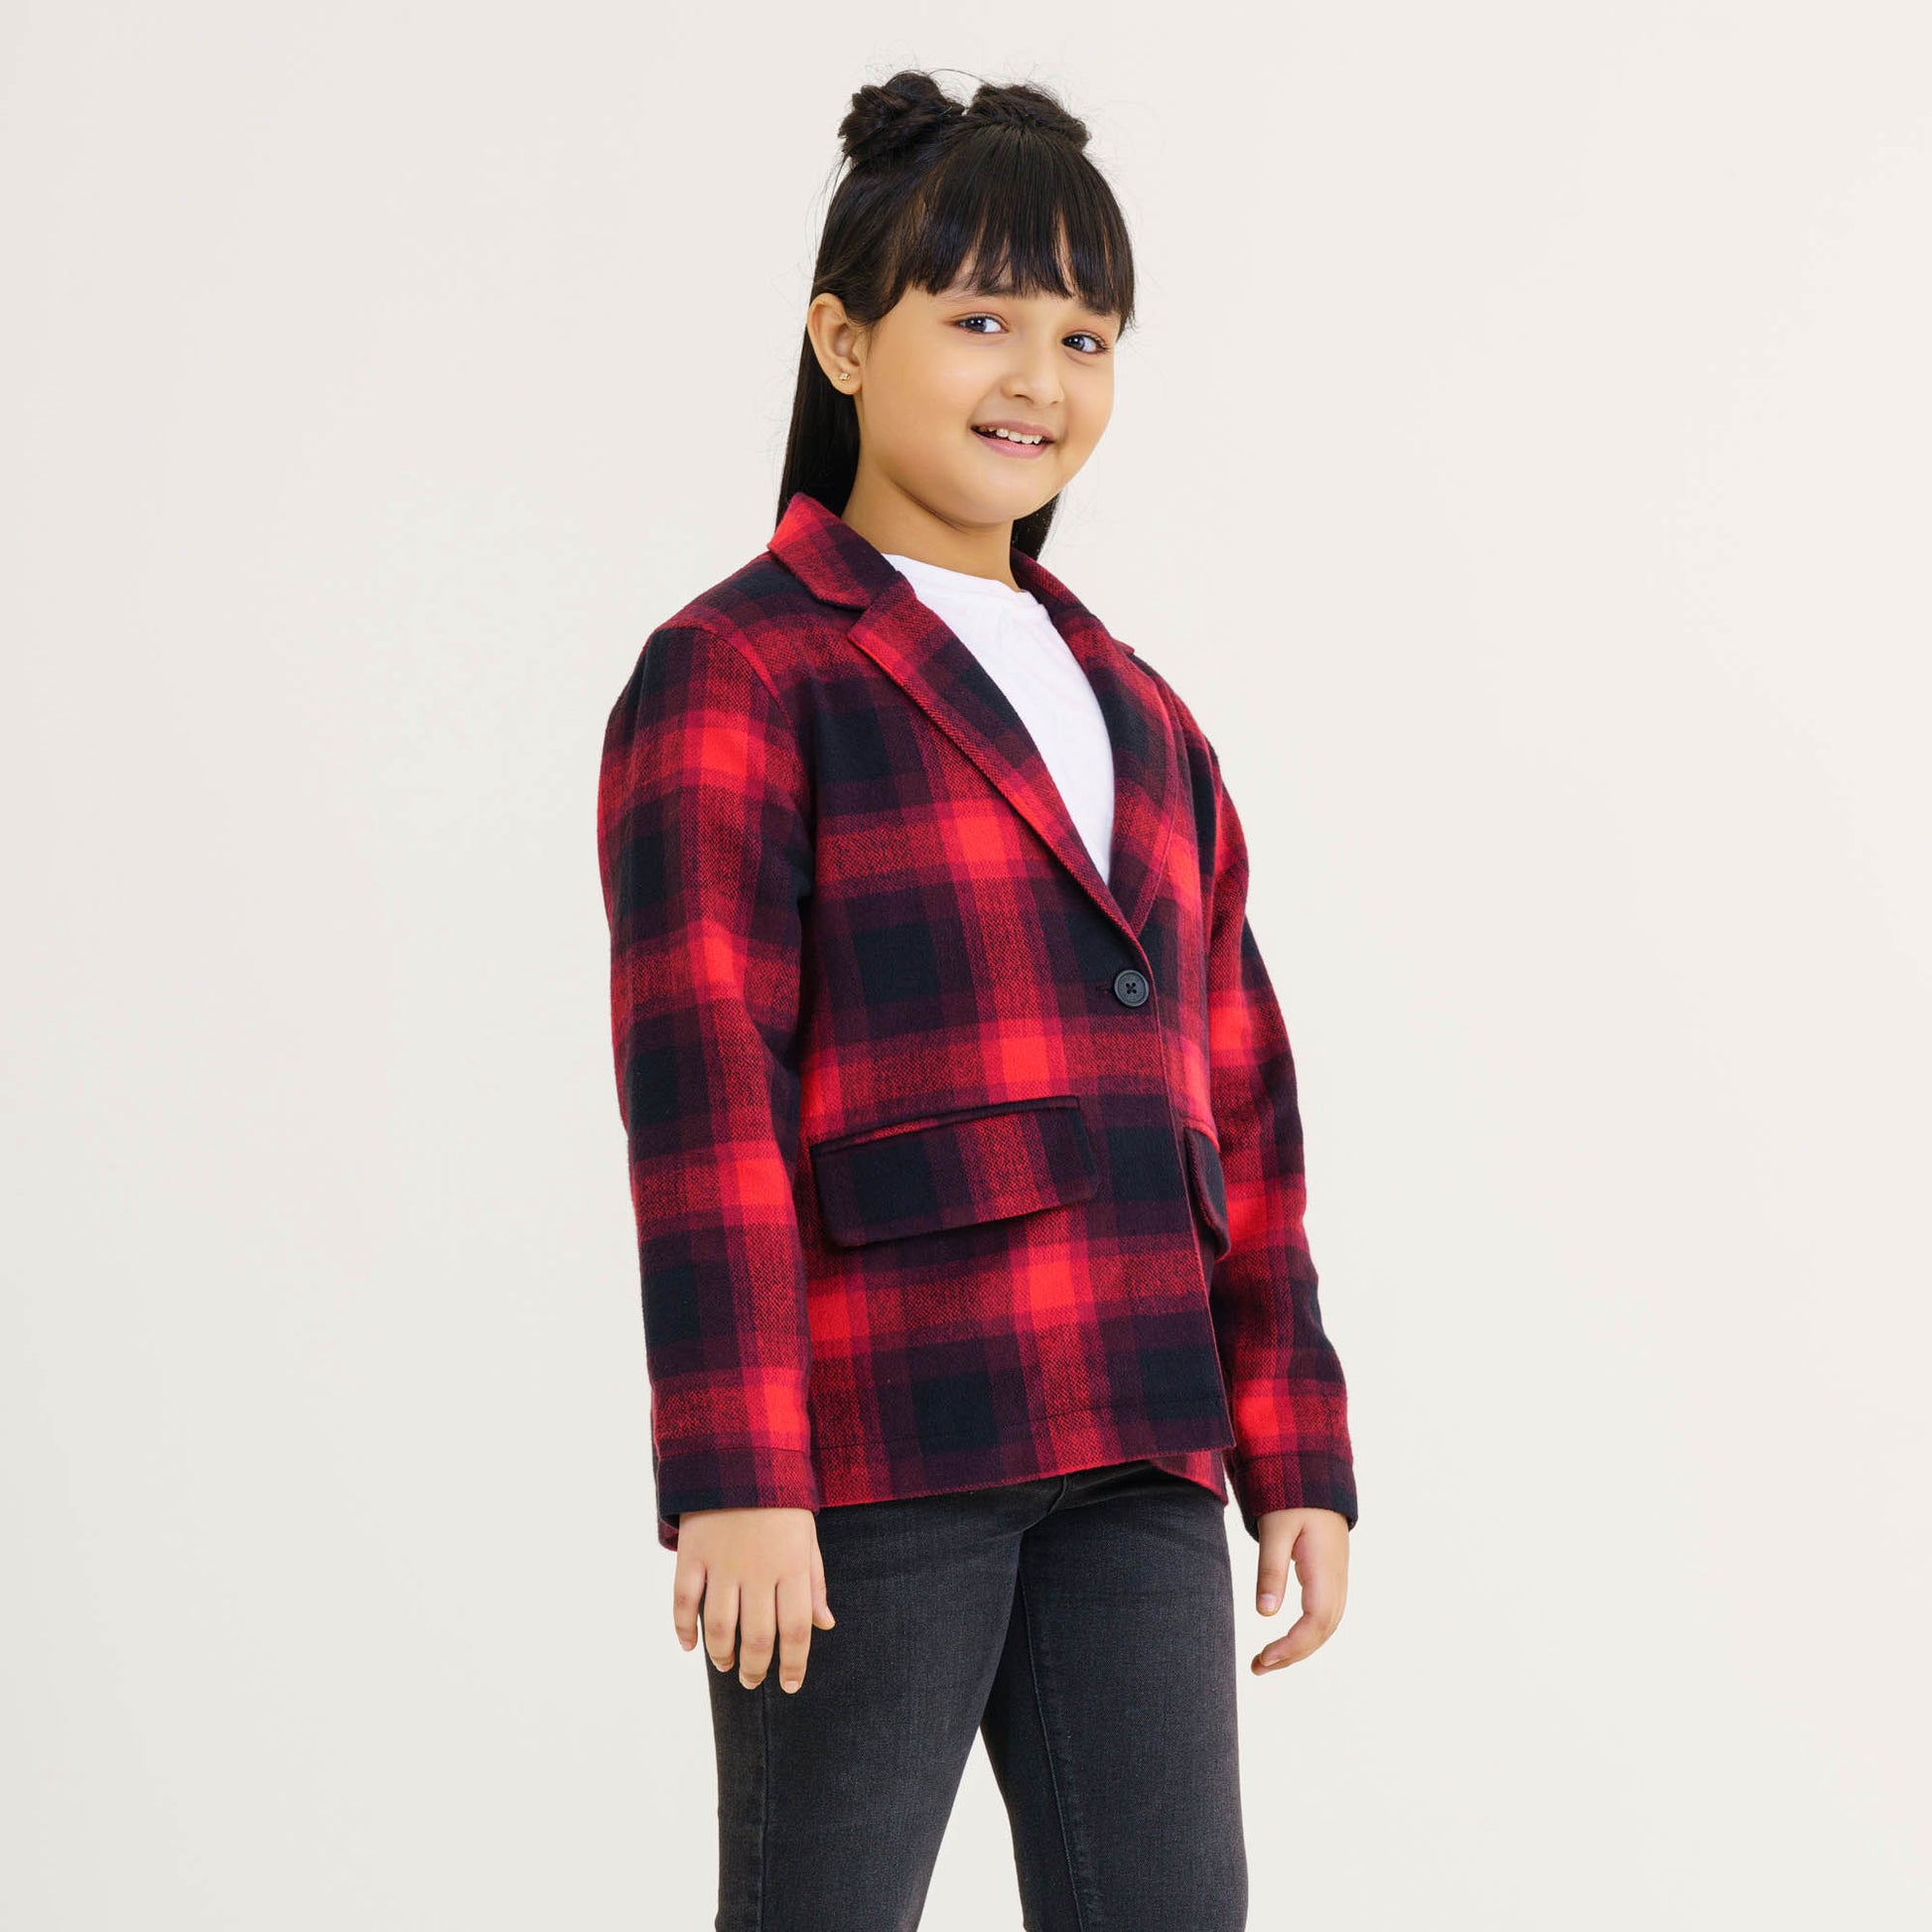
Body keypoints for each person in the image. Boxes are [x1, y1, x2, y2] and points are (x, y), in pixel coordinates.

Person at [595, 68, 1358, 1932]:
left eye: (1084, 335)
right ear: (845, 342)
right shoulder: (740, 669)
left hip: (1143, 1429)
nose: (1039, 377)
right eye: (982, 319)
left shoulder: (1142, 710)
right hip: (880, 1435)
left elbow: (1242, 1093)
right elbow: (701, 1082)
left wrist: (1295, 1444)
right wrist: (736, 1469)